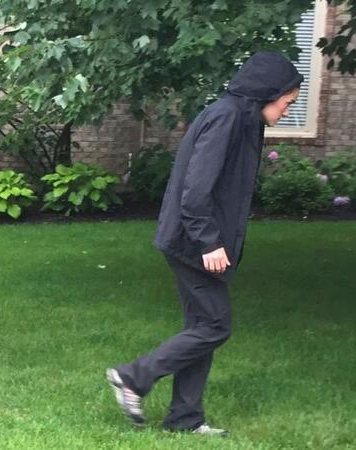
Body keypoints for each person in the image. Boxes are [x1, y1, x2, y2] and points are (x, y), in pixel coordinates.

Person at [107, 51, 302, 436]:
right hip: (193, 242)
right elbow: (196, 190)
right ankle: (132, 378)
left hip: (196, 240)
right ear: (267, 93)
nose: (287, 111)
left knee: (201, 327)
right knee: (215, 325)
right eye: (287, 102)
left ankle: (184, 419)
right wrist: (210, 243)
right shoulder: (228, 118)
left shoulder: (243, 119)